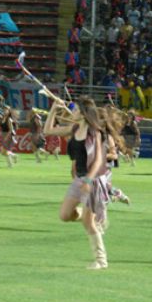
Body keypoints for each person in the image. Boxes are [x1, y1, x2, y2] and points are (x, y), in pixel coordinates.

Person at [44, 97, 109, 270]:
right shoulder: (74, 128)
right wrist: (53, 109)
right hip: (79, 179)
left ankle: (101, 260)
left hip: (93, 179)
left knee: (89, 223)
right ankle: (89, 214)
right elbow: (48, 130)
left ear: (83, 112)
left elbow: (98, 160)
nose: (72, 111)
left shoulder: (94, 132)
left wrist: (88, 179)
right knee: (65, 215)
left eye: (75, 109)